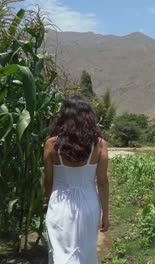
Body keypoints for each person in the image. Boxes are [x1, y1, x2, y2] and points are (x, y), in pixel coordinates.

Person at [43, 95, 109, 264]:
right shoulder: (100, 145)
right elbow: (102, 182)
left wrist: (47, 202)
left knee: (59, 255)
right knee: (86, 254)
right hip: (88, 206)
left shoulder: (51, 145)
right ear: (89, 118)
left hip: (59, 205)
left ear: (62, 117)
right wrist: (105, 214)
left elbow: (48, 180)